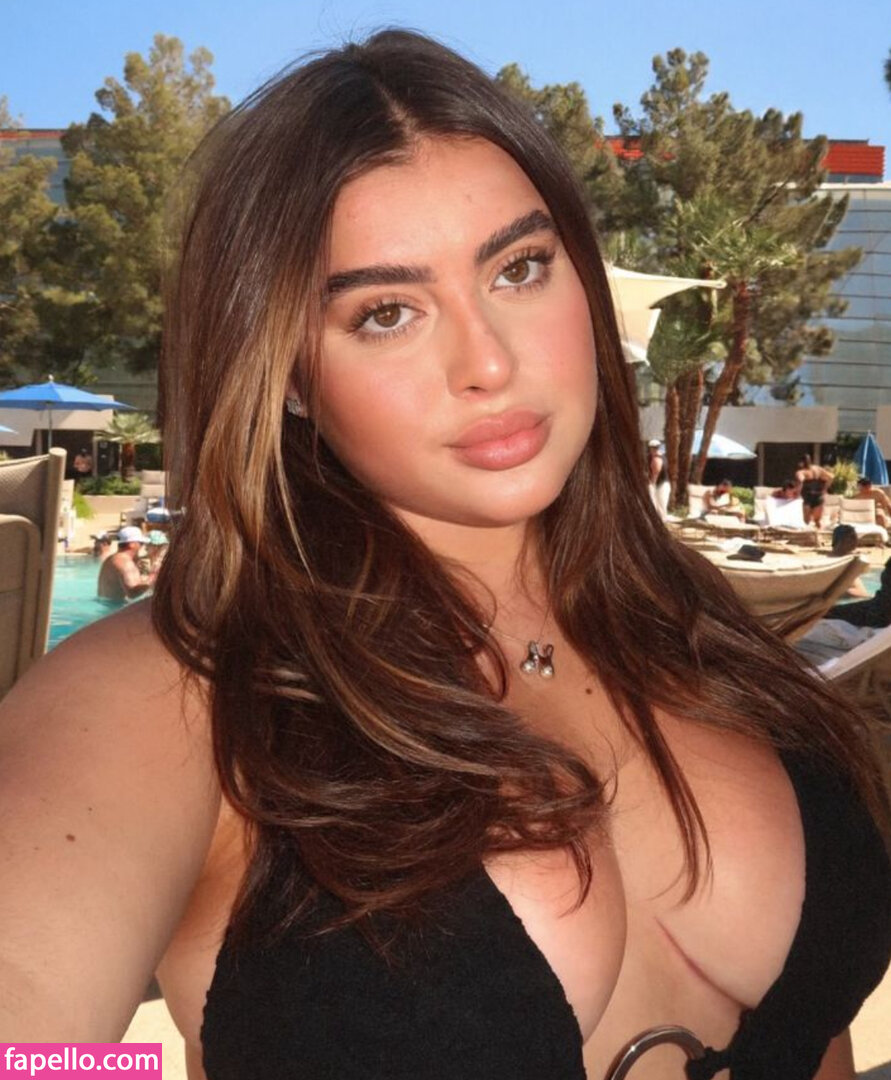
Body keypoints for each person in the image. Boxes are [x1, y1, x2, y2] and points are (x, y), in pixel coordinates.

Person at [0, 31, 888, 1080]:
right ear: (288, 376)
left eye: (519, 269)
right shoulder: (178, 690)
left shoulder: (691, 622)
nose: (489, 363)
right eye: (386, 313)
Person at [96, 525, 156, 602]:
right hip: (117, 607)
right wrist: (153, 577)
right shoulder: (125, 563)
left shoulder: (112, 558)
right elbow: (132, 593)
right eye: (141, 543)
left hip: (106, 604)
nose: (142, 546)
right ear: (132, 544)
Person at [795, 454, 833, 527]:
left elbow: (801, 481)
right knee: (817, 521)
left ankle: (808, 533)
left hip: (808, 497)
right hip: (819, 496)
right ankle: (818, 533)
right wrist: (825, 489)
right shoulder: (818, 469)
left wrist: (798, 493)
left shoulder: (801, 472)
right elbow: (831, 477)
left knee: (806, 521)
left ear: (801, 462)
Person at [646, 439, 670, 518]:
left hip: (661, 485)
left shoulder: (657, 458)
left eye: (655, 448)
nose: (653, 450)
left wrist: (652, 485)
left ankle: (662, 520)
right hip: (660, 484)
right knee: (657, 505)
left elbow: (655, 473)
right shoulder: (655, 457)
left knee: (660, 505)